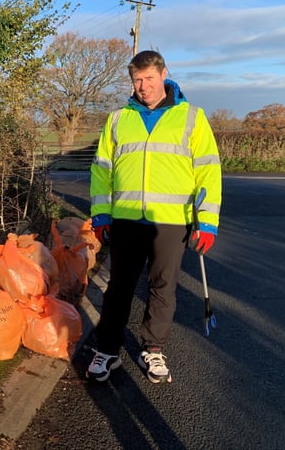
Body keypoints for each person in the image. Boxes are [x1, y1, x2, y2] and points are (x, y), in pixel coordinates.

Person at [87, 50, 221, 384]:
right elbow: (102, 170)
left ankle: (153, 349)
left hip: (171, 222)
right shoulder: (118, 119)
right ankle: (107, 350)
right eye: (137, 80)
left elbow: (208, 172)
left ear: (164, 74)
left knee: (163, 287)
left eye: (149, 78)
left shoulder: (191, 116)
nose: (143, 86)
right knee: (118, 288)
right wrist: (101, 214)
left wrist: (207, 221)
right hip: (127, 220)